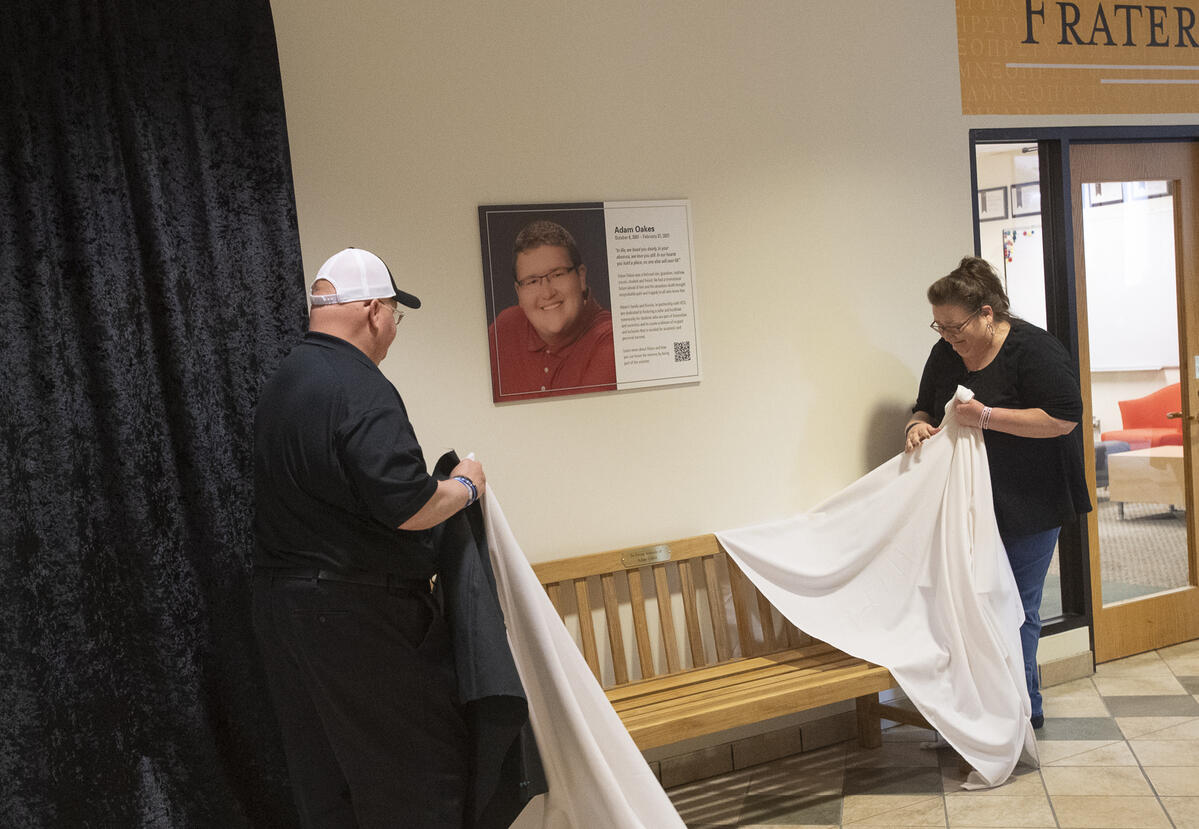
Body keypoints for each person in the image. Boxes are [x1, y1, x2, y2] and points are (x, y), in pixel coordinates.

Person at [252, 247, 486, 828]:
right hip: (357, 613)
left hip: (283, 609)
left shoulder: (284, 381)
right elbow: (410, 506)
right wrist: (464, 487)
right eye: (396, 319)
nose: (392, 332)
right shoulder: (360, 387)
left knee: (328, 781)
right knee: (418, 778)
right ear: (376, 310)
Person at [904, 256, 1091, 730]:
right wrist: (917, 427)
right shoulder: (945, 352)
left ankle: (1022, 712)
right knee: (970, 604)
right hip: (969, 501)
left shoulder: (1035, 350)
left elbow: (1064, 418)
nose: (947, 336)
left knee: (1016, 606)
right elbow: (925, 405)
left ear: (987, 313)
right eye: (939, 326)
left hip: (1032, 499)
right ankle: (980, 710)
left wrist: (987, 416)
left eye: (955, 326)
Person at [488, 219, 617, 401]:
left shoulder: (610, 341)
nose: (547, 293)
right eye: (532, 281)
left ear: (580, 277)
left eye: (557, 274)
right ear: (519, 292)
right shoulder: (505, 327)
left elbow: (579, 422)